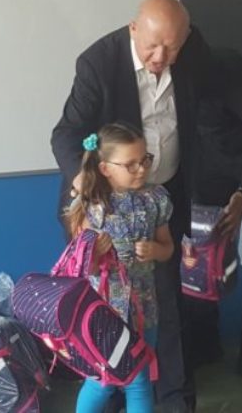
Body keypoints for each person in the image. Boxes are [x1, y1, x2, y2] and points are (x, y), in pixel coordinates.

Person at [51, 0, 242, 412]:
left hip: (162, 198)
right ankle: (110, 397)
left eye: (172, 47)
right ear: (133, 29)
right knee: (106, 311)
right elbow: (66, 134)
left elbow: (231, 80)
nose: (162, 57)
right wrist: (85, 185)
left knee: (167, 303)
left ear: (186, 38)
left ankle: (176, 401)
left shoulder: (191, 51)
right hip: (105, 209)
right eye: (153, 46)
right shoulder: (98, 64)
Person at [182, 47, 242, 377]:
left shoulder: (231, 71)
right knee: (199, 261)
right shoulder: (166, 78)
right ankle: (207, 343)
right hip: (204, 180)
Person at [67, 123, 172, 413]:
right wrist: (95, 255)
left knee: (139, 378)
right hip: (102, 312)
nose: (141, 169)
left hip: (143, 309)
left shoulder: (155, 198)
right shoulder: (90, 207)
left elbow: (168, 248)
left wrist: (156, 250)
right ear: (105, 168)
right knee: (102, 380)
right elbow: (79, 267)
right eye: (130, 164)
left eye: (144, 159)